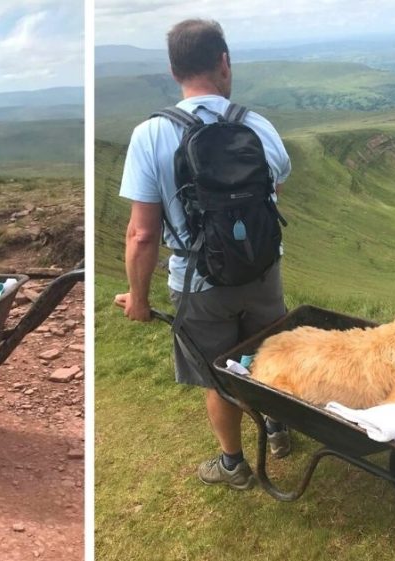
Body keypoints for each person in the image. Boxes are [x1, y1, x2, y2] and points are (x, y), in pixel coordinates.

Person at [114, 19, 293, 490]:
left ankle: (233, 464)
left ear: (174, 71)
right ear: (224, 63)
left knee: (220, 376)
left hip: (199, 284)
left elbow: (142, 234)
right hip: (262, 270)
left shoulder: (150, 135)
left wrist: (137, 296)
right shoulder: (256, 125)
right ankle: (277, 426)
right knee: (269, 353)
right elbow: (271, 190)